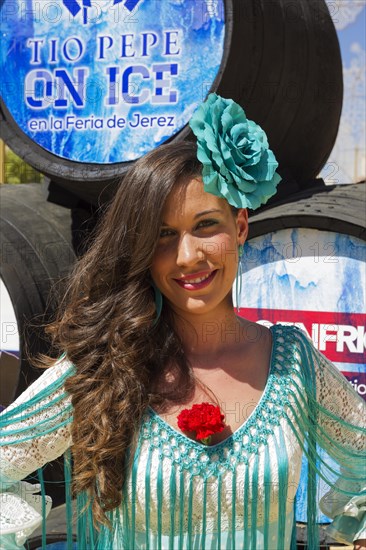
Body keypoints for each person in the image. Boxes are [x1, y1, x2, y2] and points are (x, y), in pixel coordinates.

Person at [0, 94, 365, 550]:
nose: (187, 256)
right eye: (163, 235)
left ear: (241, 226)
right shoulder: (105, 366)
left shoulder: (294, 366)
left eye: (206, 225)